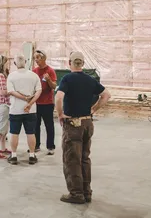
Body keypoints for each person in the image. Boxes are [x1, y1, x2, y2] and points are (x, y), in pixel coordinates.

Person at [55, 51, 111, 204]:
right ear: (83, 64)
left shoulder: (67, 79)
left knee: (72, 159)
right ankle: (87, 192)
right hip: (87, 123)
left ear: (69, 63)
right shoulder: (90, 80)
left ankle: (76, 194)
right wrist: (94, 109)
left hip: (73, 124)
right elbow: (106, 95)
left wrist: (60, 114)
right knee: (85, 158)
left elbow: (58, 97)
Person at [6, 55, 41, 165]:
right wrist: (29, 103)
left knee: (14, 133)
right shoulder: (34, 76)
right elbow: (39, 91)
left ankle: (14, 156)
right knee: (31, 133)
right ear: (25, 62)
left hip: (16, 109)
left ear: (15, 64)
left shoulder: (11, 76)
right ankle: (31, 155)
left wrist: (23, 98)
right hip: (30, 110)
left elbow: (11, 92)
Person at [33, 49, 57, 155]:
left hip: (47, 103)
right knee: (35, 125)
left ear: (43, 58)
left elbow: (54, 86)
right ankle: (36, 145)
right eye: (35, 58)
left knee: (49, 125)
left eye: (37, 58)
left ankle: (50, 147)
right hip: (36, 103)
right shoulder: (34, 71)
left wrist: (48, 80)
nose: (36, 60)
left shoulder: (50, 70)